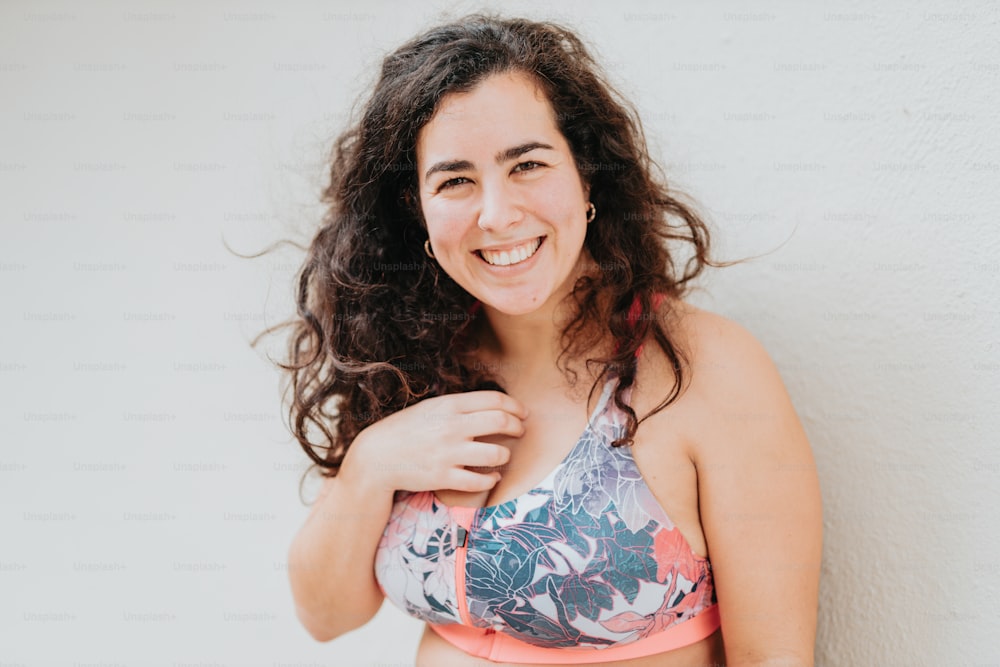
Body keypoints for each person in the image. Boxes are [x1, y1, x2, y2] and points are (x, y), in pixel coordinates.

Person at [277, 14, 822, 667]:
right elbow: (326, 614)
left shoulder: (707, 371)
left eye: (527, 164)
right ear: (416, 207)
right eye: (455, 180)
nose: (498, 213)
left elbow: (775, 656)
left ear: (586, 175)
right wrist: (369, 464)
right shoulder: (415, 361)